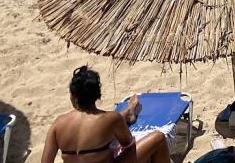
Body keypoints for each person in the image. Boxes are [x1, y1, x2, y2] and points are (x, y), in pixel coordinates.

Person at [41, 67, 170, 163]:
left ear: (74, 97)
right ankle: (128, 113)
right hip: (112, 126)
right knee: (158, 138)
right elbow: (129, 145)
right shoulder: (110, 118)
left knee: (111, 126)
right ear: (97, 95)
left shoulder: (58, 125)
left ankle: (128, 112)